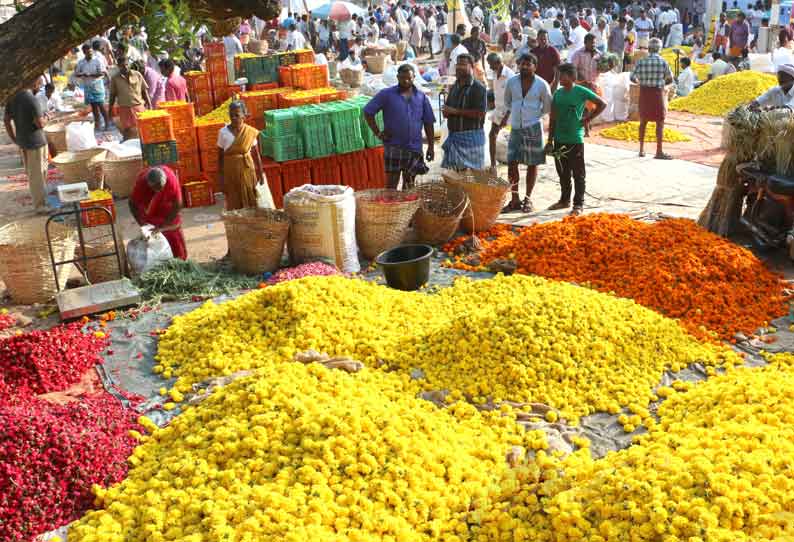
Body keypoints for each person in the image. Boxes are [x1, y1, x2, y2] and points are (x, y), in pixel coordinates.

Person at [546, 62, 606, 215]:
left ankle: (578, 204)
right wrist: (550, 140)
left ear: (572, 77)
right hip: (559, 139)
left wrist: (587, 119)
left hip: (575, 139)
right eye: (559, 75)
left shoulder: (581, 91)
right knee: (562, 172)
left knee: (578, 173)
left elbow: (602, 104)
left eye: (562, 75)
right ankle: (564, 200)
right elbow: (553, 118)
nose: (559, 78)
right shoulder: (558, 94)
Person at [363, 64, 435, 190]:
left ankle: (406, 209)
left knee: (409, 185)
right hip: (394, 146)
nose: (406, 81)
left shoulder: (421, 97)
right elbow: (368, 112)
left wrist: (431, 146)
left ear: (414, 78)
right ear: (397, 77)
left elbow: (428, 123)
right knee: (392, 184)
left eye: (409, 78)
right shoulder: (386, 94)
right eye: (402, 78)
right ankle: (392, 209)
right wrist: (378, 133)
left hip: (414, 148)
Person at [501, 53, 552, 213]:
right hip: (515, 127)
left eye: (528, 64)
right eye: (522, 64)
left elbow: (547, 107)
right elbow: (508, 102)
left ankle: (528, 199)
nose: (524, 66)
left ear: (534, 67)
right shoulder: (511, 82)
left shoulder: (542, 85)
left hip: (533, 127)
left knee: (532, 163)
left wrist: (534, 115)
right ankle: (514, 199)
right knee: (512, 163)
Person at [4, 77, 49, 214]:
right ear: (33, 82)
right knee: (38, 175)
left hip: (23, 141)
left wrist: (14, 138)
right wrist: (47, 117)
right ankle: (40, 206)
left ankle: (41, 201)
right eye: (39, 83)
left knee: (35, 174)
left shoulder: (12, 97)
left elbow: (6, 120)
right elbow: (40, 123)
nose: (40, 86)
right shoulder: (31, 99)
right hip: (35, 142)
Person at [129, 166, 187, 260]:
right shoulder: (142, 183)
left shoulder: (171, 180)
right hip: (150, 211)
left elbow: (178, 204)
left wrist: (164, 225)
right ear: (149, 184)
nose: (158, 191)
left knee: (174, 238)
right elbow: (132, 204)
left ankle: (180, 259)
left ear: (165, 181)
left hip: (167, 210)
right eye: (155, 188)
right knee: (153, 240)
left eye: (160, 187)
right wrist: (143, 225)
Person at [441, 54, 487, 171]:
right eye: (458, 64)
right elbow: (448, 107)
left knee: (474, 178)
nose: (459, 67)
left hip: (471, 139)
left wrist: (455, 111)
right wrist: (446, 112)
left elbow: (480, 113)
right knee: (457, 177)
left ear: (471, 66)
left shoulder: (478, 88)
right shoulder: (455, 86)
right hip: (455, 138)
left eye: (463, 64)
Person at [630, 37, 674, 159]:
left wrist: (640, 82)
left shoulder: (641, 61)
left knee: (643, 121)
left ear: (648, 49)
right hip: (657, 94)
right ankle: (658, 151)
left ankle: (641, 149)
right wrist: (663, 84)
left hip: (644, 93)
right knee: (660, 122)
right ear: (659, 49)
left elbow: (632, 77)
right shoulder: (663, 62)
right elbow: (670, 78)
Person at [217, 101, 265, 210]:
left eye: (237, 115)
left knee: (250, 197)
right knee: (234, 200)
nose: (233, 118)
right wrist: (221, 178)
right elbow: (219, 157)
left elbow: (256, 154)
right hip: (230, 171)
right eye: (231, 115)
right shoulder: (222, 132)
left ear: (244, 115)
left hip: (247, 169)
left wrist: (261, 174)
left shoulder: (249, 132)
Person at [109, 56, 151, 141]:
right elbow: (112, 95)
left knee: (142, 129)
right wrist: (110, 108)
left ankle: (142, 147)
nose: (125, 67)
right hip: (124, 108)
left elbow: (144, 91)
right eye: (122, 65)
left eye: (127, 65)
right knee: (127, 130)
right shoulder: (115, 78)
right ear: (118, 66)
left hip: (138, 106)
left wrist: (149, 104)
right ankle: (128, 146)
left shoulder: (137, 75)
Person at [487, 52, 515, 169]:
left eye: (491, 64)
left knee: (513, 139)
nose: (490, 67)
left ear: (498, 63)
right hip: (498, 110)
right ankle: (493, 164)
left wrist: (506, 117)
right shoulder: (494, 73)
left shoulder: (510, 76)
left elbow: (514, 98)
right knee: (492, 135)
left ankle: (513, 163)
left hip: (510, 113)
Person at [570, 34, 601, 136]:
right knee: (584, 107)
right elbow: (573, 70)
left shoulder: (599, 55)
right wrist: (584, 81)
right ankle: (586, 130)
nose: (593, 45)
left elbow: (601, 69)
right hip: (581, 84)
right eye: (591, 42)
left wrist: (607, 67)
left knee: (593, 107)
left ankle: (587, 123)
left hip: (594, 84)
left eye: (594, 42)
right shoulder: (578, 54)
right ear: (585, 42)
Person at [75, 43, 110, 130]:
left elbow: (102, 73)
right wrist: (82, 74)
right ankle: (97, 124)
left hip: (97, 85)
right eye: (88, 52)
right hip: (88, 87)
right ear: (84, 52)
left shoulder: (97, 61)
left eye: (91, 52)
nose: (90, 54)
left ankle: (107, 124)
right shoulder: (81, 63)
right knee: (93, 107)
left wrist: (90, 75)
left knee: (101, 105)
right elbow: (77, 73)